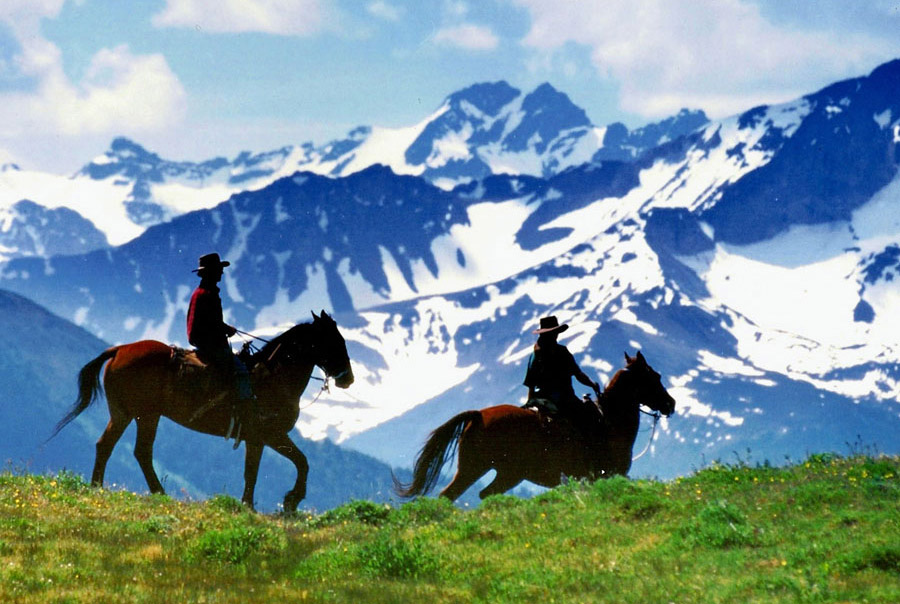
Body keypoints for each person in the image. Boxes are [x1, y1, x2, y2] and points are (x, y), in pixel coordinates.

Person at [186, 252, 253, 444]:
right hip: (208, 341)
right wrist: (227, 329)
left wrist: (224, 328)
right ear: (211, 272)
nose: (221, 274)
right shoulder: (208, 294)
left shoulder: (201, 292)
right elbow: (213, 323)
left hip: (201, 339)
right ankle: (242, 412)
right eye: (219, 270)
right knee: (241, 370)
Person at [523, 316, 602, 426]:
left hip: (539, 399)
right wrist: (592, 384)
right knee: (590, 417)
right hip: (563, 400)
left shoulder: (535, 354)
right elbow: (578, 375)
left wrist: (529, 403)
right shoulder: (561, 351)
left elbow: (530, 384)